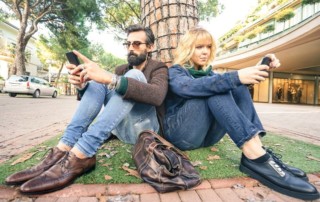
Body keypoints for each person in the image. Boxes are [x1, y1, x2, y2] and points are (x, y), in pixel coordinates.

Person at [5, 24, 168, 194]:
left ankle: (83, 152)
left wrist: (112, 79)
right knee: (96, 80)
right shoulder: (121, 69)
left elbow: (157, 96)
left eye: (136, 44)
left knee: (130, 77)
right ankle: (64, 148)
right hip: (120, 129)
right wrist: (83, 85)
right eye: (128, 44)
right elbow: (112, 101)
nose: (131, 48)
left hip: (142, 131)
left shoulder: (158, 68)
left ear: (150, 47)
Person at [162, 27, 319, 200]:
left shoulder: (211, 73)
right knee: (220, 85)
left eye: (208, 46)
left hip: (207, 137)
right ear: (188, 47)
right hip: (181, 135)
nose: (205, 51)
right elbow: (188, 87)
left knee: (234, 86)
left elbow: (224, 83)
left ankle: (257, 150)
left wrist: (259, 67)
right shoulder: (175, 71)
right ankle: (257, 158)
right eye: (199, 47)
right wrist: (235, 77)